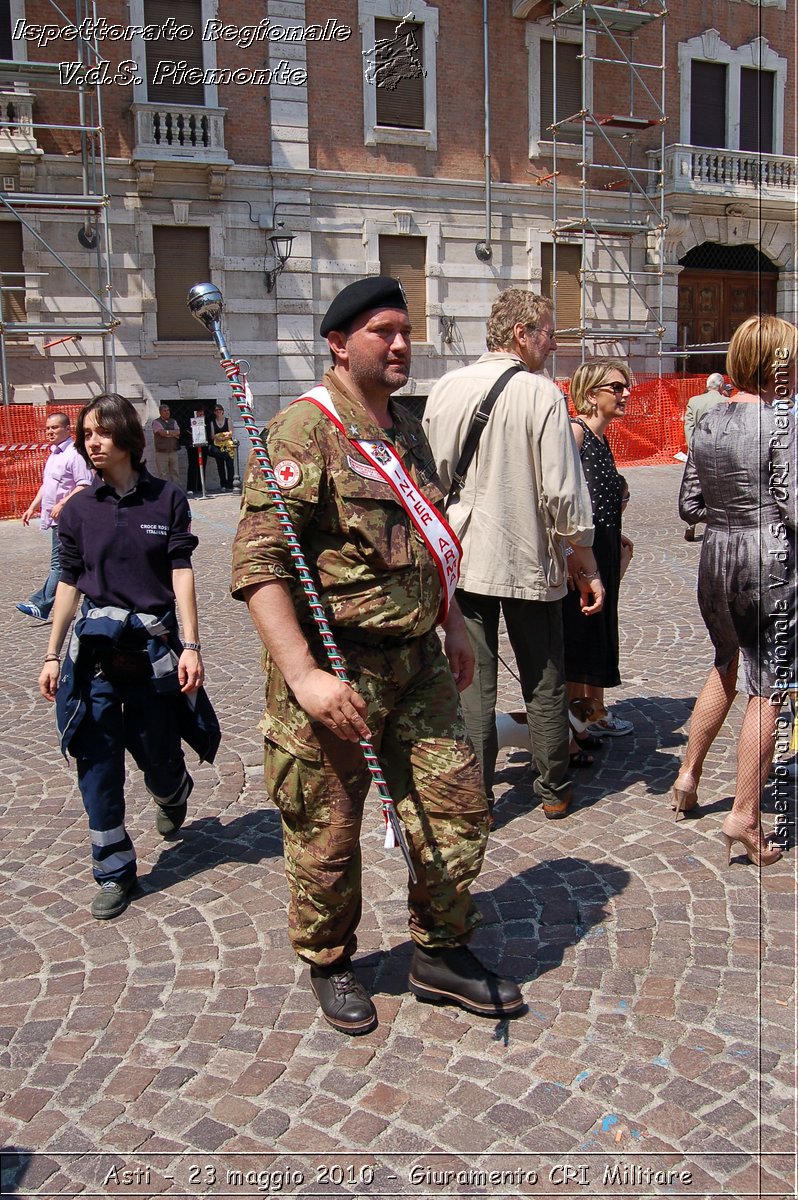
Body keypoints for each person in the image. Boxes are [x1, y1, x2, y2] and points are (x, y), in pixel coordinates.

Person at [231, 276, 522, 1035]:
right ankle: (330, 961)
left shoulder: (406, 428)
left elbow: (428, 540)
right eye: (382, 332)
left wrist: (452, 622)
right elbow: (260, 565)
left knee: (457, 809)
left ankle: (440, 952)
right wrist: (303, 675)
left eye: (404, 330)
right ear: (339, 343)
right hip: (335, 667)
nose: (400, 344)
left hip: (417, 659)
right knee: (325, 835)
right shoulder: (300, 433)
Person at [423, 289, 603, 821]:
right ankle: (552, 787)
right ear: (521, 334)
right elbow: (563, 490)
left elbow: (432, 473)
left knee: (472, 676)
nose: (553, 341)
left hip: (465, 552)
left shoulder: (447, 386)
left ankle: (476, 792)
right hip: (527, 553)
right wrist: (583, 556)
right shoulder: (541, 392)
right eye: (547, 331)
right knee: (543, 673)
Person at [38, 393, 220, 919]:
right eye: (85, 434)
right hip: (94, 657)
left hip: (151, 655)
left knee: (159, 758)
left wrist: (191, 644)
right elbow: (68, 581)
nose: (92, 442)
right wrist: (53, 654)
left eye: (101, 432)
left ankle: (173, 791)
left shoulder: (167, 500)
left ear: (128, 438)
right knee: (96, 765)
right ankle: (114, 869)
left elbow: (181, 572)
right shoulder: (78, 510)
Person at [673, 315, 797, 867]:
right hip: (767, 557)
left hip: (717, 556)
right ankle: (745, 814)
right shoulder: (784, 421)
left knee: (727, 661)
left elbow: (689, 505)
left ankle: (687, 777)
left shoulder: (709, 419)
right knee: (768, 685)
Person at [563, 359, 635, 750]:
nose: (625, 394)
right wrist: (574, 553)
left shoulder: (601, 438)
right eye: (617, 388)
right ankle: (572, 726)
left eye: (626, 386)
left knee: (595, 636)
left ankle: (586, 717)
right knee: (579, 638)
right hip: (582, 551)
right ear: (591, 394)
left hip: (604, 544)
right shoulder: (575, 432)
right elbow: (561, 497)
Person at [16, 411, 94, 621]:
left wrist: (62, 502)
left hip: (68, 519)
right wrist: (33, 506)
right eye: (47, 428)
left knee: (59, 564)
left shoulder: (75, 454)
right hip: (54, 518)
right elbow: (47, 484)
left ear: (67, 429)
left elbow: (85, 484)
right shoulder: (54, 454)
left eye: (54, 428)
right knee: (74, 562)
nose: (49, 432)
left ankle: (41, 605)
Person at [682, 373, 729, 541]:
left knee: (693, 488)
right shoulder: (726, 402)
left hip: (697, 450)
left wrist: (692, 446)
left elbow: (689, 425)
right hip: (718, 451)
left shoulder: (694, 401)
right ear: (721, 386)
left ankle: (691, 523)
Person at [151, 402, 182, 486]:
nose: (167, 412)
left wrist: (167, 433)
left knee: (175, 473)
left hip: (173, 451)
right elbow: (161, 433)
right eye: (164, 411)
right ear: (160, 412)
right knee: (163, 474)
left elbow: (178, 432)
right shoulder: (156, 422)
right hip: (161, 453)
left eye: (168, 410)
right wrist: (172, 434)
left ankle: (177, 492)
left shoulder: (173, 421)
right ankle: (164, 493)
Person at [205, 404, 235, 491]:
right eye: (216, 410)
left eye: (219, 410)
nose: (218, 411)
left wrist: (224, 437)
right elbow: (212, 435)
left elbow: (231, 432)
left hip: (228, 445)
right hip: (217, 445)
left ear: (222, 411)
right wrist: (219, 438)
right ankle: (223, 485)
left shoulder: (228, 420)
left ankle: (230, 484)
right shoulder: (212, 422)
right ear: (214, 412)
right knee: (220, 465)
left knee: (230, 465)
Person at [185, 404, 207, 496]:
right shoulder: (189, 421)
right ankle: (191, 487)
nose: (201, 413)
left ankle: (201, 487)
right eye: (199, 412)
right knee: (192, 467)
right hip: (192, 446)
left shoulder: (205, 421)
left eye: (202, 412)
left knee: (202, 466)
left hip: (203, 445)